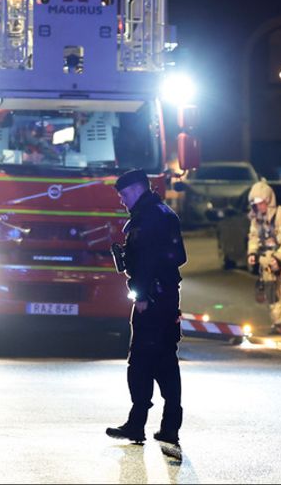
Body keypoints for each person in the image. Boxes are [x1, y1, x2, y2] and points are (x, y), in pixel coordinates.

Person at [106, 169, 186, 448]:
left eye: (125, 194)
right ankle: (168, 427)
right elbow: (177, 256)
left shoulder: (150, 218)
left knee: (140, 362)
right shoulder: (161, 214)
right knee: (164, 360)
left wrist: (141, 294)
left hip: (151, 299)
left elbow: (151, 261)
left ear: (139, 189)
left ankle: (137, 424)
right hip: (164, 298)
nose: (122, 201)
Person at [246, 180, 281, 335]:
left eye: (261, 203)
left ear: (268, 201)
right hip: (267, 261)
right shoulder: (256, 218)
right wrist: (252, 254)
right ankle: (277, 322)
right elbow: (254, 237)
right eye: (256, 204)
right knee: (270, 292)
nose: (258, 206)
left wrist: (279, 258)